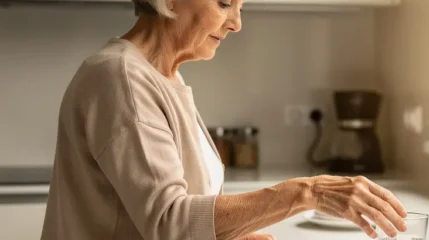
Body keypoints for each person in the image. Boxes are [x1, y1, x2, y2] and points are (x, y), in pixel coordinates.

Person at [40, 0, 408, 239]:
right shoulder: (120, 77)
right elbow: (170, 222)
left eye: (241, 7)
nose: (236, 23)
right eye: (224, 3)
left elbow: (164, 218)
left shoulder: (165, 77)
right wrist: (307, 192)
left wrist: (230, 233)